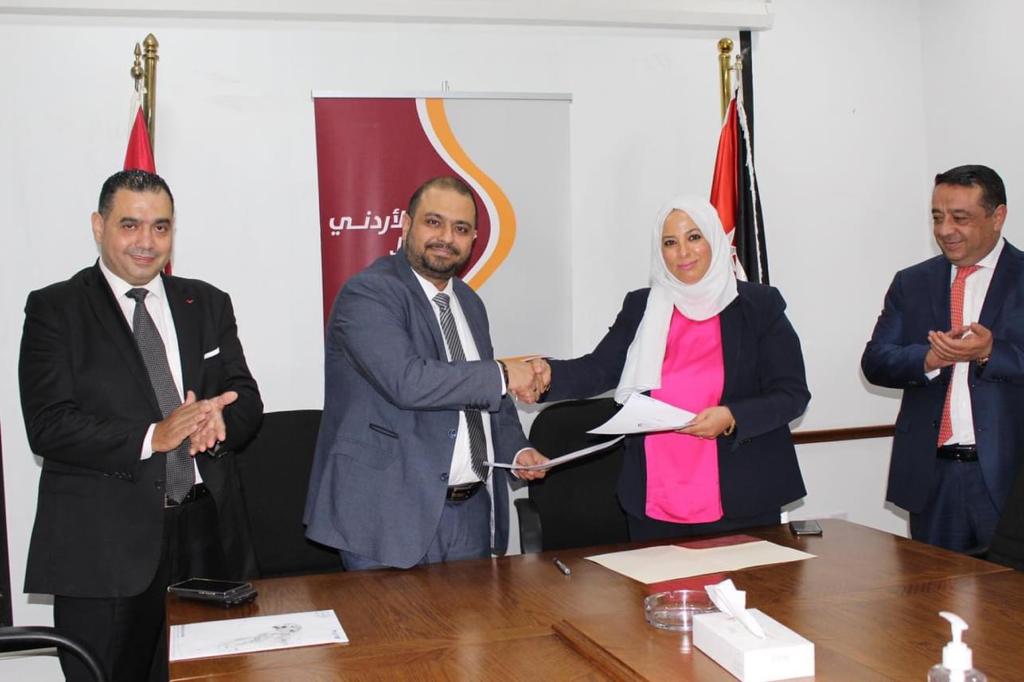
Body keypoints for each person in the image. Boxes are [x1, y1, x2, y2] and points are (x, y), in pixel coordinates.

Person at [18, 170, 263, 682]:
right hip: (106, 546)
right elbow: (48, 425)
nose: (146, 242)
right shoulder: (55, 308)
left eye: (161, 227)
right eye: (130, 225)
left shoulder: (207, 301)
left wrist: (220, 420)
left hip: (207, 536)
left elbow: (245, 399)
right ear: (98, 225)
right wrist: (155, 436)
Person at [304, 175, 548, 570]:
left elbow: (484, 394)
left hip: (470, 514)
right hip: (386, 517)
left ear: (473, 240)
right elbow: (409, 382)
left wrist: (517, 450)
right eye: (434, 222)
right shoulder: (368, 293)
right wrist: (503, 374)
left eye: (461, 229)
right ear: (405, 225)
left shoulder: (469, 303)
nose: (446, 238)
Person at [530, 196, 809, 541]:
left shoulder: (758, 306)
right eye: (670, 243)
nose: (683, 252)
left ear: (714, 239)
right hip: (655, 496)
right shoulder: (642, 306)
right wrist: (546, 377)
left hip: (742, 494)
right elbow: (600, 369)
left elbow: (792, 395)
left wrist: (732, 416)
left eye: (694, 237)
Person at [862, 164, 1024, 553]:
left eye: (960, 218)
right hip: (933, 478)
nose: (945, 229)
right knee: (933, 589)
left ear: (998, 216)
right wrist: (930, 359)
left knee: (1009, 591)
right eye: (937, 217)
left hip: (1010, 478)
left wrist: (991, 352)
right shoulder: (912, 282)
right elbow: (876, 360)